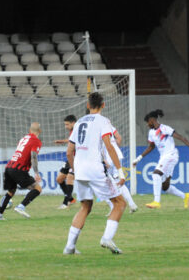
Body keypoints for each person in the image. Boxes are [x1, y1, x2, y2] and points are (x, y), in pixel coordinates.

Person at [63, 92, 126, 255]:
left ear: (87, 105)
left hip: (80, 170)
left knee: (85, 206)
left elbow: (69, 151)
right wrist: (120, 171)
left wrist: (74, 170)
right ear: (103, 105)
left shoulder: (79, 122)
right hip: (95, 169)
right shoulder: (104, 122)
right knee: (119, 203)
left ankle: (69, 247)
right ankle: (107, 238)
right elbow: (110, 146)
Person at [132, 110, 189, 209]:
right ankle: (185, 196)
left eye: (148, 122)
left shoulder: (165, 128)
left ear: (152, 120)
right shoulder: (151, 132)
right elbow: (151, 147)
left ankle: (156, 202)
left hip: (171, 155)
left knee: (156, 174)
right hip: (164, 157)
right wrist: (138, 159)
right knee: (165, 187)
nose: (147, 124)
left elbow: (181, 138)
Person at [0, 122, 43, 220]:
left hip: (9, 167)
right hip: (19, 169)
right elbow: (33, 157)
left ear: (29, 130)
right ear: (40, 131)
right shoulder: (36, 141)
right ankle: (21, 206)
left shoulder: (23, 138)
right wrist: (36, 172)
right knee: (37, 189)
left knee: (10, 192)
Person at [101, 127, 138, 214]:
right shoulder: (109, 125)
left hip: (108, 157)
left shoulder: (95, 127)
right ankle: (132, 205)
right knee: (118, 182)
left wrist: (103, 158)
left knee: (104, 183)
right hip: (117, 155)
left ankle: (113, 207)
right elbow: (119, 138)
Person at [53, 114, 76, 209]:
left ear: (73, 123)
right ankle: (70, 199)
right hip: (70, 158)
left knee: (70, 177)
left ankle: (66, 203)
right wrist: (63, 141)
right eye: (65, 124)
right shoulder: (72, 131)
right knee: (59, 179)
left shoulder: (78, 130)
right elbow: (72, 140)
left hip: (77, 159)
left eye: (67, 124)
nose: (66, 127)